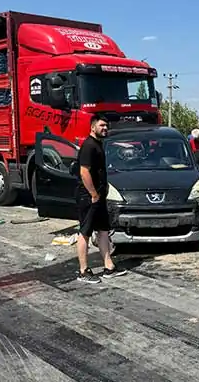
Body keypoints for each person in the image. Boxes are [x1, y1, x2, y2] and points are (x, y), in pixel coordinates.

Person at [75, 114, 126, 284]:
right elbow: (84, 172)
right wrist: (93, 194)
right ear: (93, 127)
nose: (105, 128)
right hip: (89, 197)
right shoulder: (89, 146)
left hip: (99, 196)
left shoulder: (98, 144)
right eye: (102, 125)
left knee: (103, 231)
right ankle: (83, 271)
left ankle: (108, 266)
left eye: (106, 126)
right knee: (85, 232)